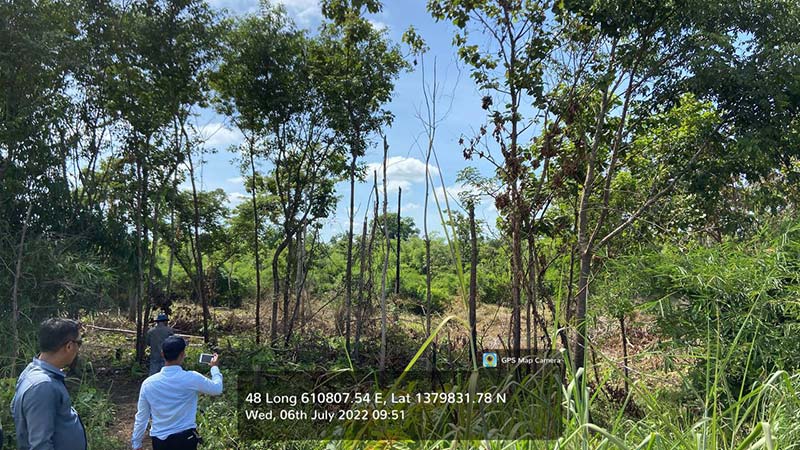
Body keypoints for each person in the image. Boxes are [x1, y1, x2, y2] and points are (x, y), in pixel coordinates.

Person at [131, 336, 222, 450]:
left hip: (160, 441)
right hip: (186, 439)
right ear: (182, 354)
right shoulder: (192, 378)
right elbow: (217, 388)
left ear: (162, 354)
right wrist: (214, 368)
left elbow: (142, 417)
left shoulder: (148, 383)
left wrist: (136, 443)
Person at [11, 318, 87, 450]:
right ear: (69, 346)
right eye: (79, 343)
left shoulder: (32, 371)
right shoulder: (42, 386)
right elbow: (40, 444)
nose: (78, 349)